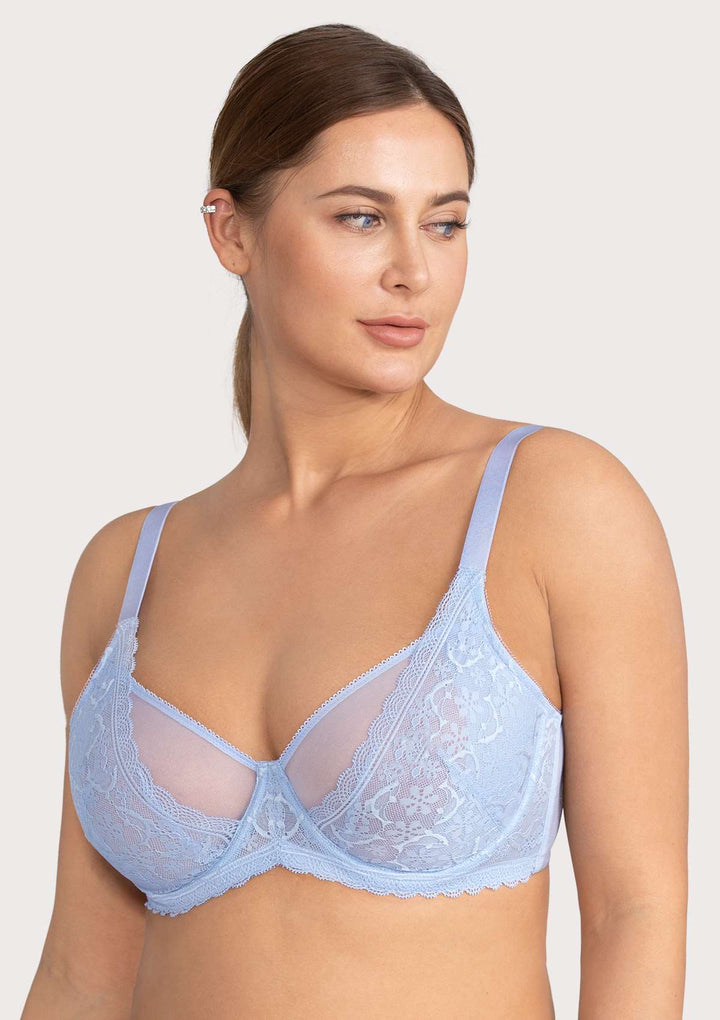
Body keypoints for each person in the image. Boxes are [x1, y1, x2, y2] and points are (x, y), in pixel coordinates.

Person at [22, 22, 688, 1020]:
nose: (414, 271)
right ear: (230, 232)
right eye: (362, 218)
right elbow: (83, 976)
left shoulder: (554, 505)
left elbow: (635, 914)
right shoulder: (124, 572)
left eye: (446, 224)